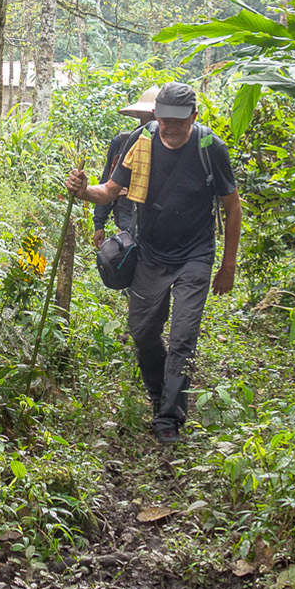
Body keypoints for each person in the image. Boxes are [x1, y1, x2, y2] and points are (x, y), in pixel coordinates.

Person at [65, 81, 240, 444]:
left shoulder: (210, 148)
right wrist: (83, 192)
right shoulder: (140, 141)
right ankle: (160, 393)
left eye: (179, 121)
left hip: (196, 254)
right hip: (151, 252)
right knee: (143, 332)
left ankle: (169, 418)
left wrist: (228, 266)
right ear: (157, 116)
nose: (171, 128)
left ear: (193, 116)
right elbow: (110, 191)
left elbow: (231, 206)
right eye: (164, 120)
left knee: (183, 337)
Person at [92, 89, 157, 248]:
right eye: (148, 117)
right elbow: (108, 182)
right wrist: (99, 223)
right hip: (128, 215)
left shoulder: (172, 146)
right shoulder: (123, 141)